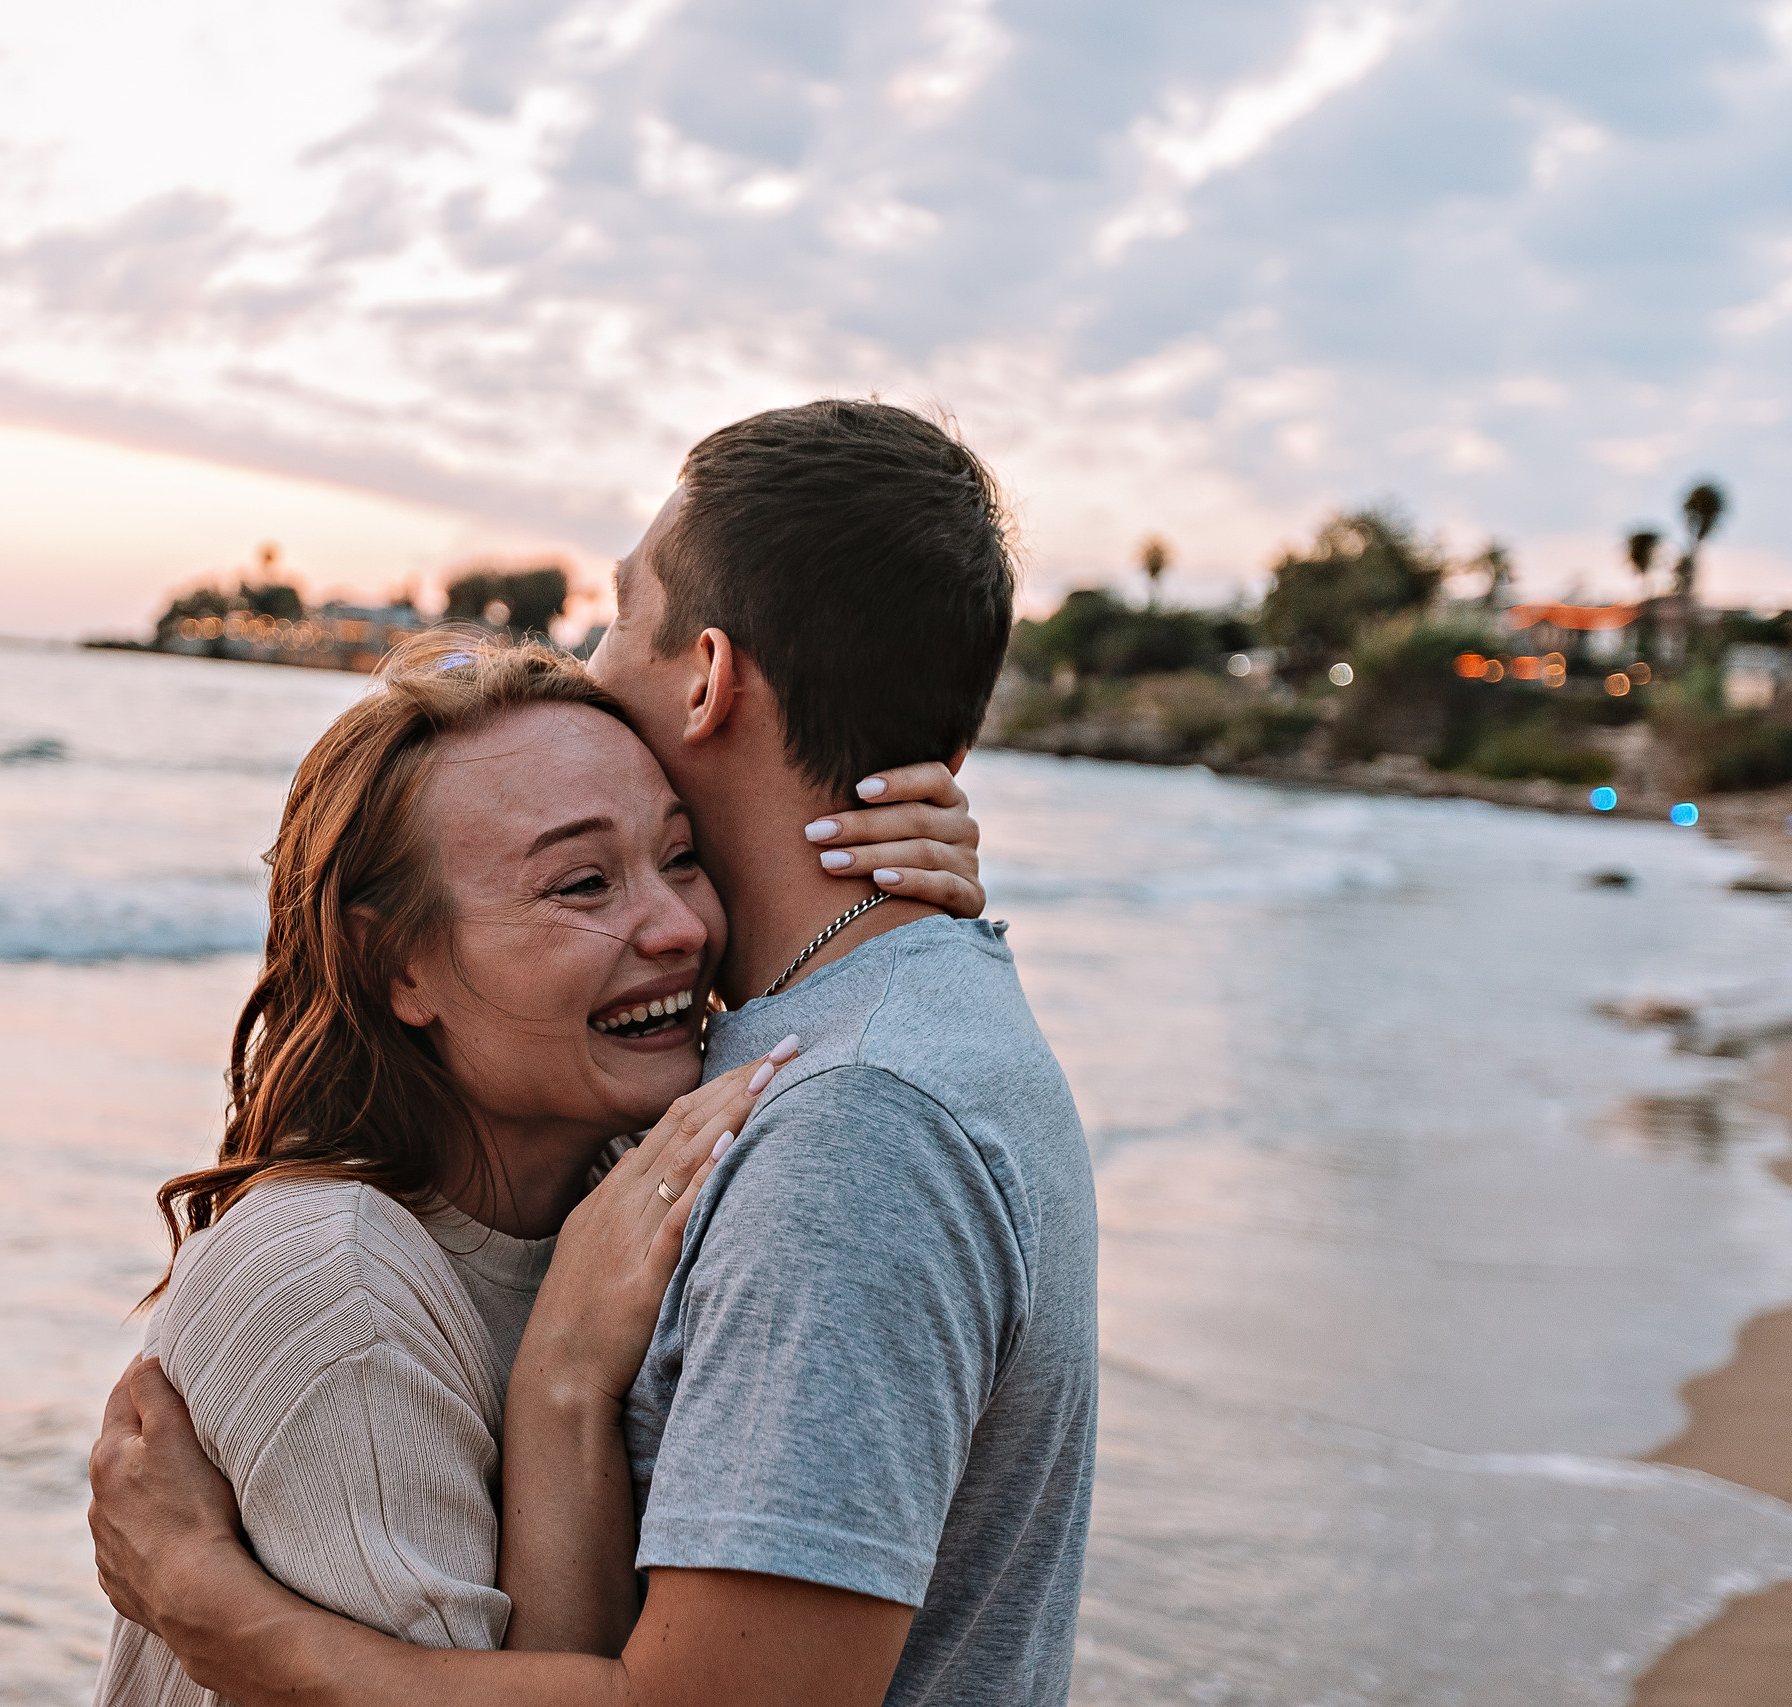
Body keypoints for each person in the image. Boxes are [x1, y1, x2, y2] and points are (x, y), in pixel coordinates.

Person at [92, 399, 1099, 1707]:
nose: (587, 659)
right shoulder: (810, 1050)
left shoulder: (850, 1120)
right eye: (583, 881)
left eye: (618, 616)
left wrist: (209, 1604)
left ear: (710, 676)